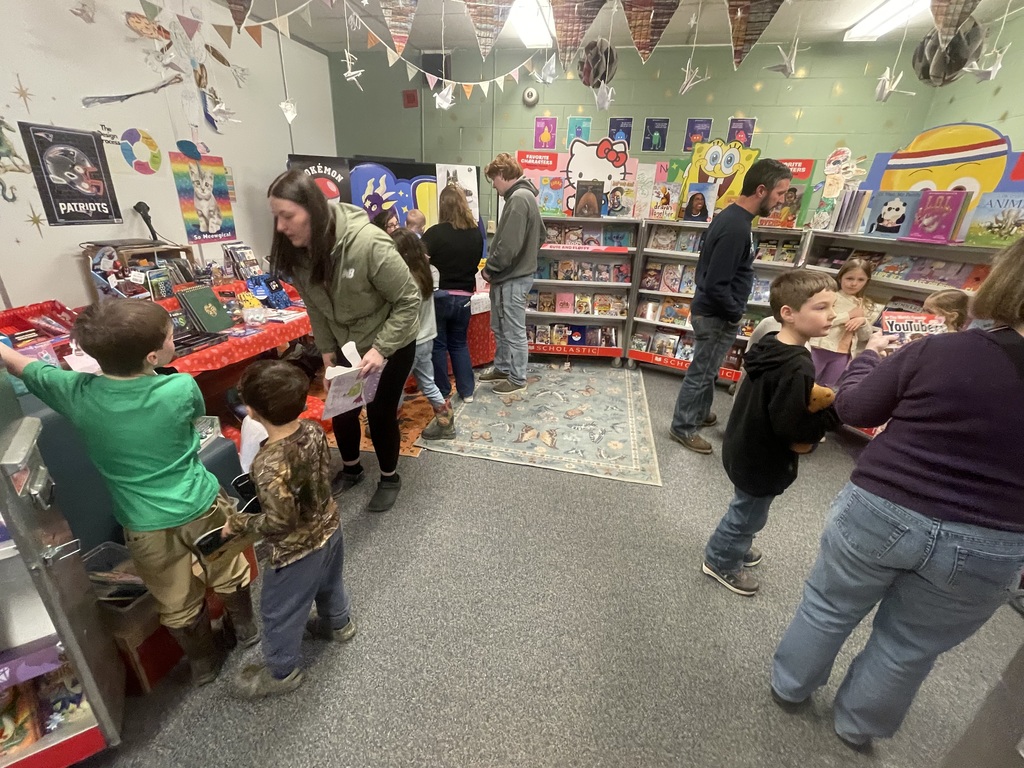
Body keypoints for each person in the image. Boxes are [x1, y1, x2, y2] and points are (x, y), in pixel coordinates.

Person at [770, 240, 1024, 753]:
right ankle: (856, 727)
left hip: (884, 505)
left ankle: (789, 686)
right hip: (992, 538)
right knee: (910, 646)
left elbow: (857, 407)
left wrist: (866, 359)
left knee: (828, 606)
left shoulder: (941, 349)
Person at [0, 300, 256, 686]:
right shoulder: (180, 386)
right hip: (201, 505)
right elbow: (196, 420)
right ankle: (247, 629)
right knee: (227, 566)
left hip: (142, 523)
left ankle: (202, 662)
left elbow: (23, 366)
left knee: (172, 594)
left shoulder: (76, 392)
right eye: (171, 335)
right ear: (153, 354)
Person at [267, 170, 420, 513]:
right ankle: (351, 469)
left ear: (314, 210)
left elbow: (409, 300)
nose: (280, 226)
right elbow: (316, 307)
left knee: (379, 412)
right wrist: (325, 352)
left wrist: (381, 350)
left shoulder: (368, 243)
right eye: (276, 216)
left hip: (389, 341)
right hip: (343, 343)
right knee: (342, 408)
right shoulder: (301, 253)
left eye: (287, 216)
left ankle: (389, 477)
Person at [702, 270, 840, 596]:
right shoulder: (797, 364)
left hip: (744, 444)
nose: (832, 315)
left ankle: (736, 545)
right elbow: (791, 425)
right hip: (763, 457)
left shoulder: (769, 343)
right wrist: (830, 417)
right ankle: (721, 558)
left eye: (832, 307)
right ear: (789, 314)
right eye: (821, 308)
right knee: (747, 514)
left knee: (746, 508)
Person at [223, 361, 355, 698]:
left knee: (278, 609)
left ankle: (281, 672)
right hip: (330, 526)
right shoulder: (312, 430)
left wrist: (242, 522)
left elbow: (279, 522)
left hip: (297, 550)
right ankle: (337, 623)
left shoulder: (267, 463)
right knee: (330, 582)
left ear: (251, 412)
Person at [670, 158, 793, 454]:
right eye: (779, 193)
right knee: (701, 372)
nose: (781, 201)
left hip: (716, 312)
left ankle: (699, 413)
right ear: (761, 190)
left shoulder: (737, 219)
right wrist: (735, 312)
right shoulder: (736, 227)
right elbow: (715, 284)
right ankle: (683, 426)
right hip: (716, 315)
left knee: (709, 370)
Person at [480, 152, 545, 395]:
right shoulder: (523, 196)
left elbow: (507, 245)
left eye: (493, 179)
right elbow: (541, 235)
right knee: (501, 326)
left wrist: (491, 269)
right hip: (511, 275)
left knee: (514, 330)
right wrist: (525, 256)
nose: (493, 185)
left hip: (512, 277)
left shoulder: (518, 198)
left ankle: (517, 378)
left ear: (502, 175)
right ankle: (503, 367)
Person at [422, 185, 484, 404]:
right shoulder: (475, 233)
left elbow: (420, 261)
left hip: (439, 296)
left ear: (443, 206)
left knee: (438, 345)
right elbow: (476, 262)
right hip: (465, 296)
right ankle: (467, 391)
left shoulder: (434, 233)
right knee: (459, 344)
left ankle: (442, 391)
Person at [391, 227, 454, 440]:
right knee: (427, 382)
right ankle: (446, 422)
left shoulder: (405, 279)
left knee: (394, 384)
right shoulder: (425, 272)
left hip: (410, 341)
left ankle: (388, 423)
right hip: (427, 337)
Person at [808, 257, 881, 387]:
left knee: (827, 388)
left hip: (843, 354)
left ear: (867, 281)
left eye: (860, 280)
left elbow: (865, 337)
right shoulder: (830, 297)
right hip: (820, 347)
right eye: (849, 278)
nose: (854, 284)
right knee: (807, 383)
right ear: (840, 277)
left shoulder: (866, 304)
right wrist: (848, 315)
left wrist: (862, 322)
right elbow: (819, 321)